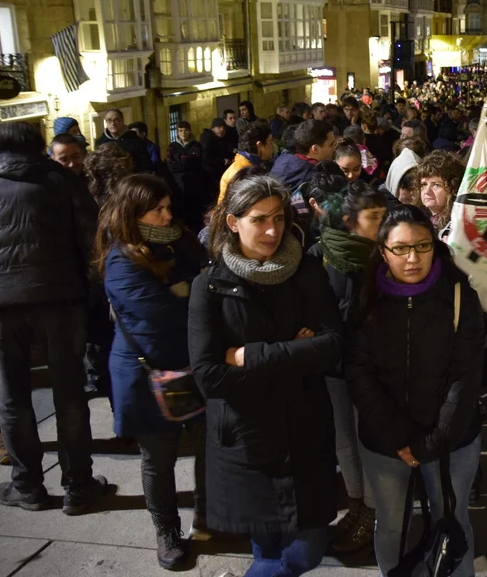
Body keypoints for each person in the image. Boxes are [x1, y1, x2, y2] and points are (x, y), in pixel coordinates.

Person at [188, 174, 342, 576]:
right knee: (267, 551)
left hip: (304, 432)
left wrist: (249, 356)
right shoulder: (210, 286)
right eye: (259, 220)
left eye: (279, 217)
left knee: (305, 553)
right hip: (247, 441)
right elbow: (208, 377)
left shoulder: (306, 271)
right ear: (233, 222)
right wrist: (296, 352)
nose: (272, 230)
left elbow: (331, 346)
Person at [0, 122, 108, 514]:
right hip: (60, 300)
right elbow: (94, 242)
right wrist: (85, 291)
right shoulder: (61, 179)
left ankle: (28, 487)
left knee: (11, 398)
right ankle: (79, 486)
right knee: (70, 396)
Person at [347, 206, 484, 577]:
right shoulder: (366, 295)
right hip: (385, 443)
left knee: (452, 522)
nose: (412, 258)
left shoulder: (458, 294)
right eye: (401, 248)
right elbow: (358, 371)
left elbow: (466, 374)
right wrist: (398, 437)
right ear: (383, 251)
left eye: (422, 246)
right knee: (391, 525)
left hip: (451, 442)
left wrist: (433, 441)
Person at [95, 174, 209, 570]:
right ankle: (166, 531)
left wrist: (186, 288)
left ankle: (207, 516)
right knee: (159, 460)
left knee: (209, 446)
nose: (167, 215)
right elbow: (161, 313)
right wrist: (188, 288)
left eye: (167, 207)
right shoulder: (120, 259)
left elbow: (206, 284)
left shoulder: (180, 240)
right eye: (157, 209)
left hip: (192, 365)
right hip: (148, 374)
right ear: (133, 212)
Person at [309, 180, 386, 554]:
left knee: (368, 441)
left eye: (383, 216)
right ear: (349, 220)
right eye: (373, 217)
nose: (381, 224)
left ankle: (372, 512)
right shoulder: (326, 254)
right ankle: (355, 505)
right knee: (344, 441)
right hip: (334, 366)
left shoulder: (385, 256)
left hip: (370, 368)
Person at [269, 119, 337, 190]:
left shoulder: (282, 159)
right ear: (315, 149)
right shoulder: (315, 179)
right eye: (331, 145)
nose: (334, 148)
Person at [166, 122, 210, 231]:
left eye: (185, 130)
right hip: (178, 184)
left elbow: (196, 162)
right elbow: (171, 165)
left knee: (194, 212)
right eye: (180, 130)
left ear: (190, 131)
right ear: (177, 132)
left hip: (194, 183)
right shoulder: (172, 147)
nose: (183, 133)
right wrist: (186, 161)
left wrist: (181, 161)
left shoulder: (196, 145)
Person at [415, 149, 464, 240]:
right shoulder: (417, 219)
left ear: (453, 188)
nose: (427, 191)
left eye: (436, 185)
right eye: (424, 184)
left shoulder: (458, 225)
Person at [219, 123, 274, 202]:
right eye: (270, 141)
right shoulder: (241, 173)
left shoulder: (249, 164)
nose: (273, 145)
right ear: (259, 145)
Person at [95, 108, 152, 173]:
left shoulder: (135, 141)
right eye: (109, 120)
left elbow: (146, 166)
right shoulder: (100, 142)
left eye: (116, 120)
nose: (113, 123)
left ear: (122, 121)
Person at [200, 118, 230, 187]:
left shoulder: (219, 138)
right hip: (209, 173)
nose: (222, 130)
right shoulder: (207, 138)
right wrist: (223, 161)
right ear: (213, 128)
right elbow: (207, 157)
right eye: (219, 127)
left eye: (223, 128)